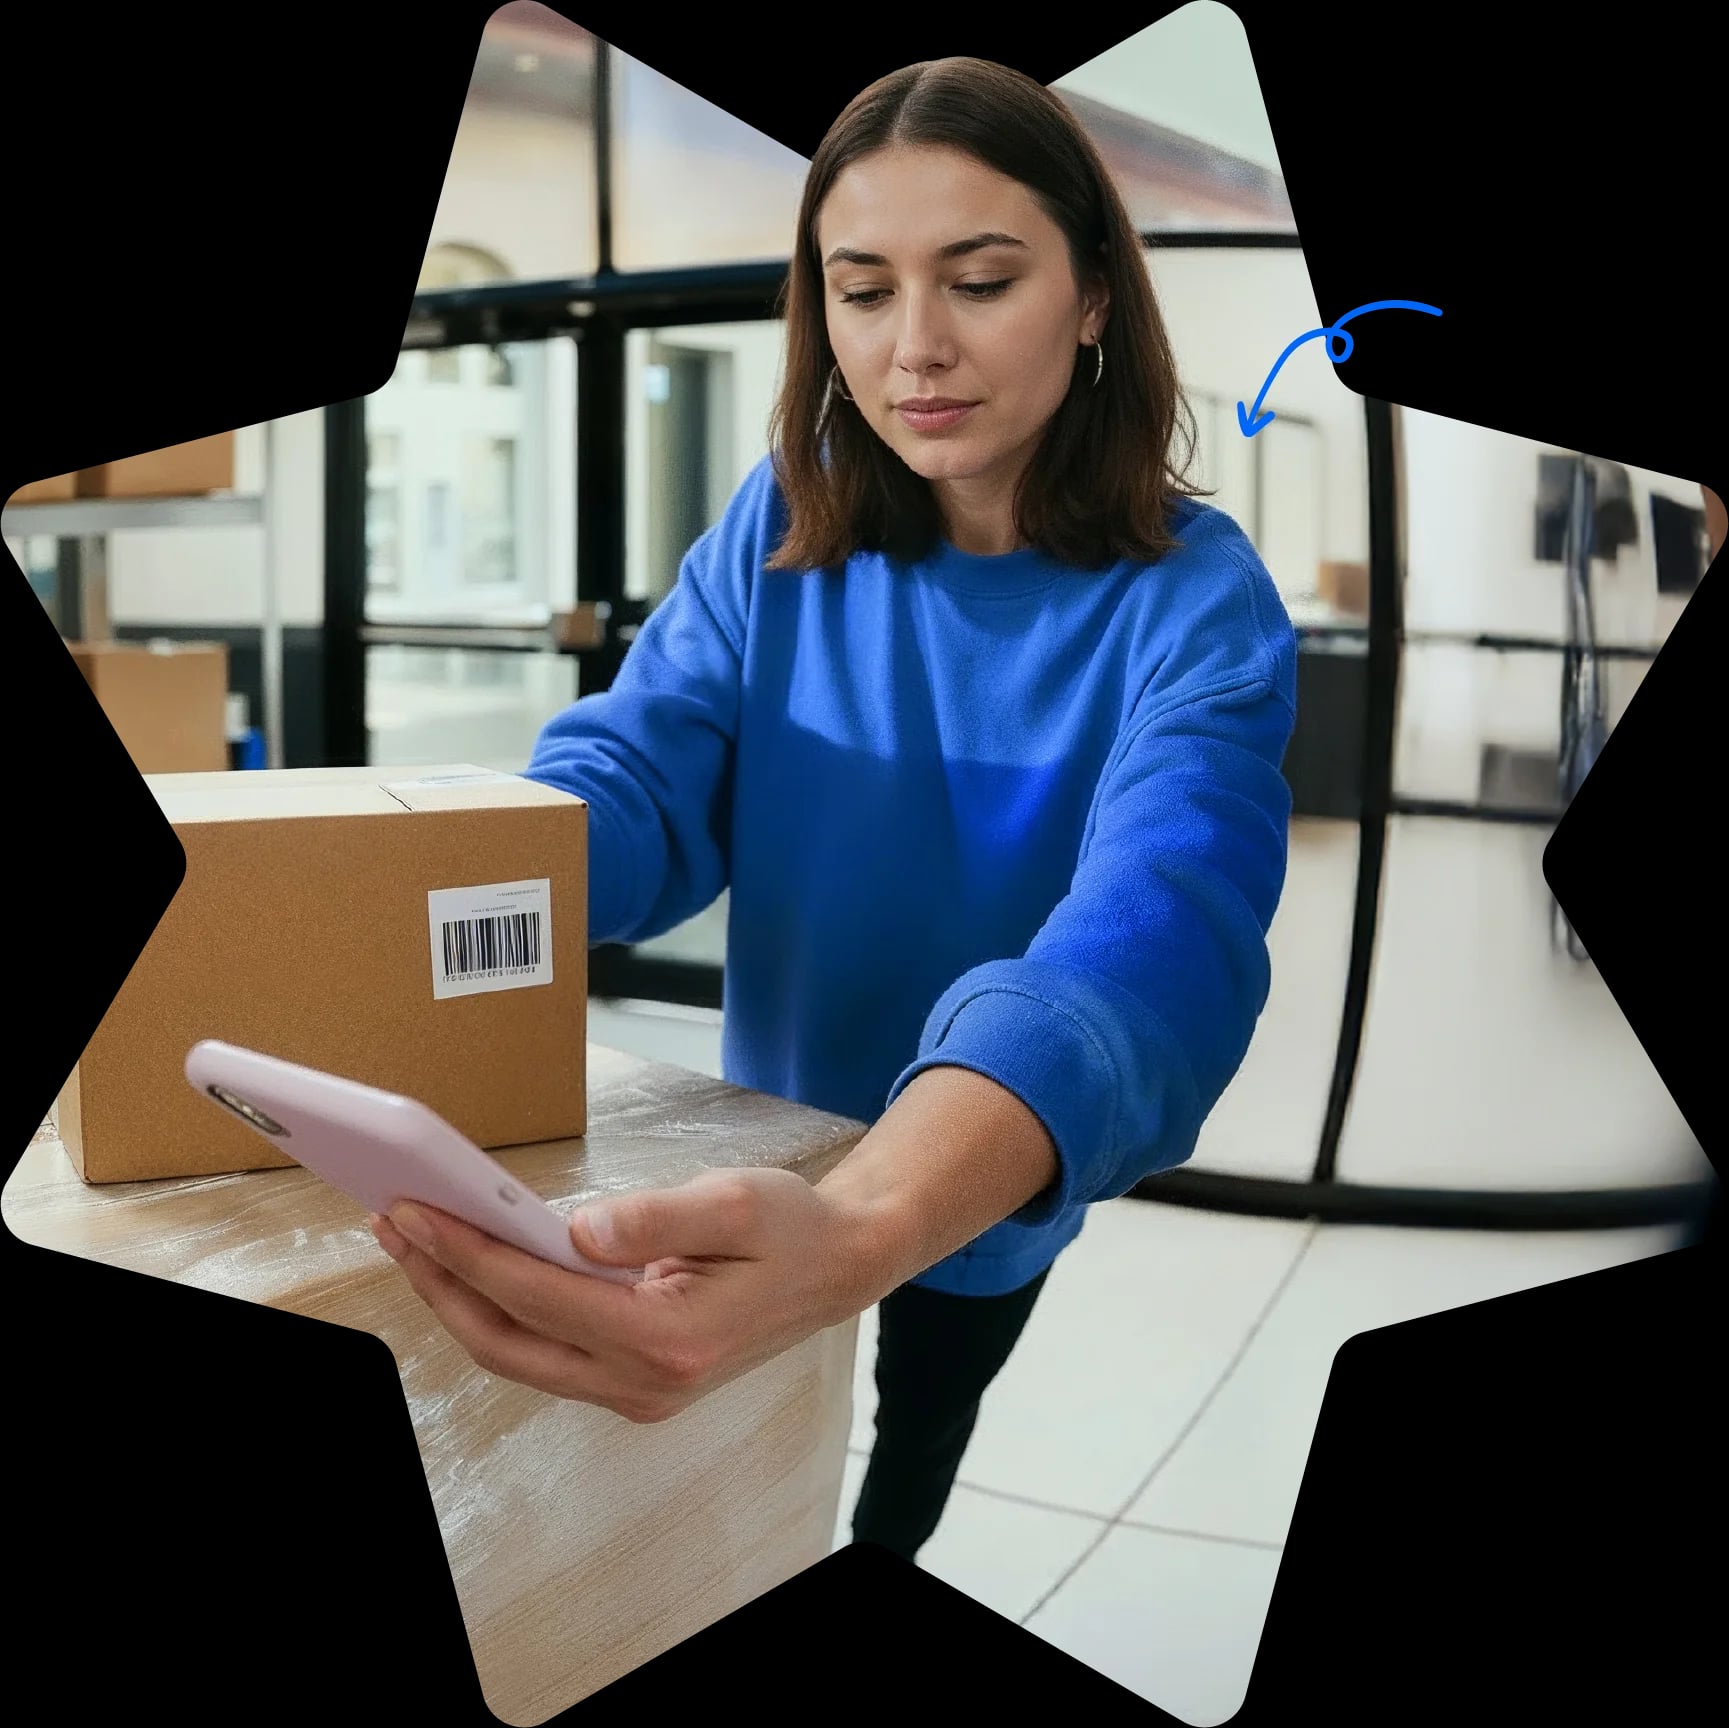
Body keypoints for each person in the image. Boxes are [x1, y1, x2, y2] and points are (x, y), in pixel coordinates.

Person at [368, 55, 1298, 1564]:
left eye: (979, 280)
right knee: (754, 1449)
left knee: (918, 1427)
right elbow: (642, 780)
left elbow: (1162, 927)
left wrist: (875, 1225)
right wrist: (428, 878)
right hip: (767, 1134)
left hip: (973, 1169)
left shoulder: (1195, 600)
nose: (914, 348)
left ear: (1092, 298)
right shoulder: (785, 524)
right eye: (861, 292)